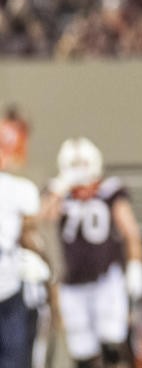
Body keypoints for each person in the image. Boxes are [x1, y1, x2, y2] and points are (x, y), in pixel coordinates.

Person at [42, 137, 142, 368]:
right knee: (82, 350)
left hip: (106, 277)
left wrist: (136, 266)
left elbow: (130, 232)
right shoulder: (58, 192)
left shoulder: (109, 190)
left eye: (83, 163)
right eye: (74, 164)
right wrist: (60, 189)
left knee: (113, 342)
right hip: (72, 281)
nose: (79, 170)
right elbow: (44, 217)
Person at [0, 154, 47, 368]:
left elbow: (28, 234)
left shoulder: (17, 188)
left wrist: (41, 261)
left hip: (11, 285)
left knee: (17, 358)